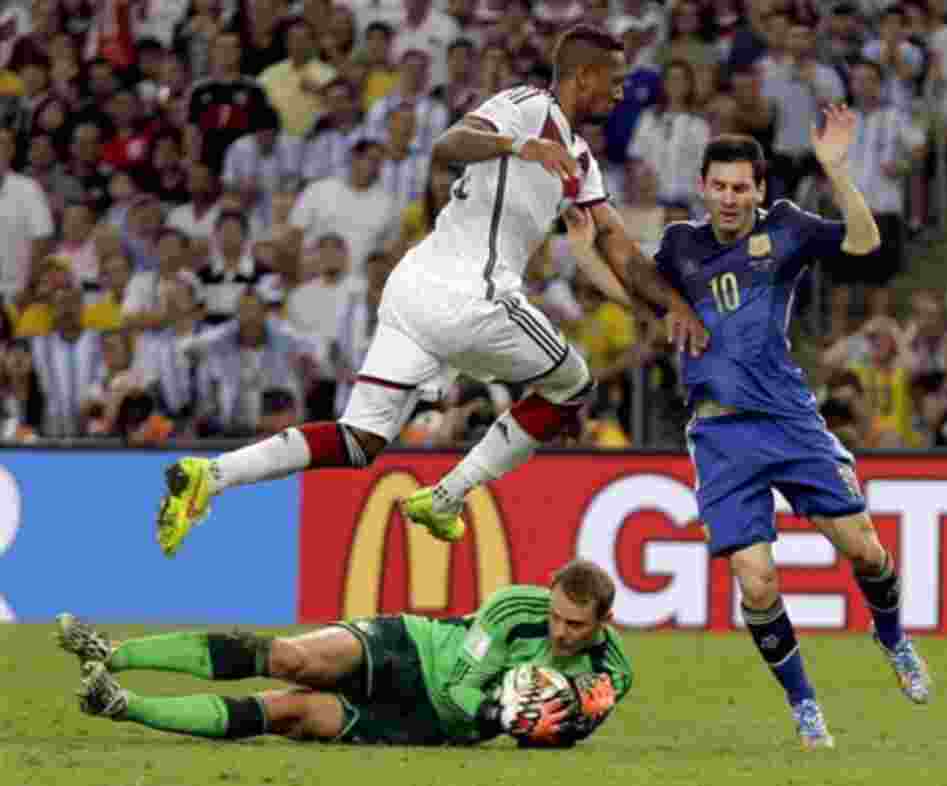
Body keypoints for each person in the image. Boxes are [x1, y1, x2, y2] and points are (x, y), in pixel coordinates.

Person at [156, 24, 707, 555]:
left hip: (415, 292)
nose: (619, 93)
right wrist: (520, 147)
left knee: (359, 439)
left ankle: (211, 475)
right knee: (572, 386)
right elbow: (448, 143)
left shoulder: (581, 161)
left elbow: (617, 247)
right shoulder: (529, 106)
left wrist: (669, 306)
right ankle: (445, 497)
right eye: (612, 81)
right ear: (582, 76)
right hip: (472, 295)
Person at [648, 114, 931, 749]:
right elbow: (628, 282)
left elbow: (865, 244)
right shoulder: (678, 247)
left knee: (864, 549)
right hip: (720, 435)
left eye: (740, 188)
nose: (729, 198)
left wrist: (835, 169)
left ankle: (894, 640)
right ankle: (805, 704)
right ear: (703, 187)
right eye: (719, 186)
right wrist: (586, 244)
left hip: (790, 421)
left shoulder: (786, 229)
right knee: (757, 578)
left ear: (758, 189)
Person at [57, 560, 629, 747]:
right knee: (291, 659)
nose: (558, 631)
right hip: (411, 648)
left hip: (426, 726)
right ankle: (111, 650)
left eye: (574, 625)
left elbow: (561, 731)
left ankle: (117, 703)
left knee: (290, 713)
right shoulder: (511, 607)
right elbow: (462, 686)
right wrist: (500, 713)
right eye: (554, 616)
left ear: (605, 620)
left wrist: (561, 725)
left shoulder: (611, 672)